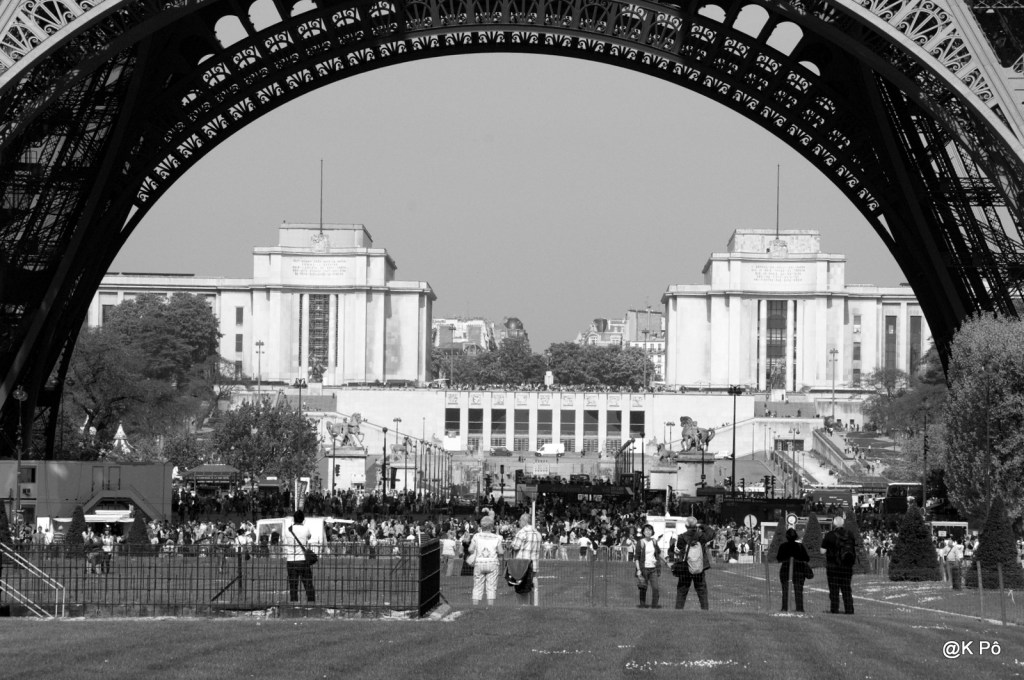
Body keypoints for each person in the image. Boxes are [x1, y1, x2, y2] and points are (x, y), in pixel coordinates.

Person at [673, 517, 714, 610]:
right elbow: (712, 533)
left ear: (686, 525)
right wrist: (702, 525)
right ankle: (705, 610)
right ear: (696, 525)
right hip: (699, 567)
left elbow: (680, 548)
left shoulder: (681, 537)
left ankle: (678, 611)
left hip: (686, 567)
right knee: (702, 591)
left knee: (682, 591)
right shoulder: (701, 536)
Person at [821, 515, 856, 614]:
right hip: (846, 566)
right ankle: (849, 609)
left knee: (834, 589)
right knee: (846, 588)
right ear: (843, 524)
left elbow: (822, 551)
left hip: (833, 566)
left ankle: (834, 609)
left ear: (833, 524)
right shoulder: (850, 534)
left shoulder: (829, 535)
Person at [468, 515, 503, 606]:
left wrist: (477, 551)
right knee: (491, 587)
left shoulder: (476, 536)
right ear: (491, 526)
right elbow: (501, 552)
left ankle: (475, 606)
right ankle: (490, 607)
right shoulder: (497, 537)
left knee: (477, 586)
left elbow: (470, 549)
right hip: (492, 562)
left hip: (479, 562)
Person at [510, 512, 542, 605]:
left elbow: (515, 546)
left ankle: (523, 606)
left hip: (522, 564)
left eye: (520, 520)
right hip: (534, 563)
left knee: (522, 587)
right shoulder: (537, 533)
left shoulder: (522, 532)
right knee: (533, 585)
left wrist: (511, 544)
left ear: (524, 521)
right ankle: (534, 605)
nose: (519, 522)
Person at [285, 510, 315, 603]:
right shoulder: (305, 529)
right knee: (308, 584)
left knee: (293, 586)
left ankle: (294, 604)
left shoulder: (288, 530)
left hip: (291, 560)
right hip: (303, 560)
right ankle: (311, 603)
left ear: (294, 519)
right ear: (303, 519)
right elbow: (309, 537)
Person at [776, 528, 810, 612]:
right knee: (798, 591)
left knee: (785, 590)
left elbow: (779, 558)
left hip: (785, 569)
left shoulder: (783, 546)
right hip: (799, 570)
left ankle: (784, 608)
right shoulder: (800, 546)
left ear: (786, 536)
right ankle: (800, 608)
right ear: (796, 536)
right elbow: (807, 558)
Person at [634, 523, 664, 609]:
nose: (648, 532)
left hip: (653, 569)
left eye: (650, 530)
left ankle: (654, 607)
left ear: (652, 532)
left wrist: (666, 562)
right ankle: (642, 606)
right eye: (646, 530)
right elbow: (637, 558)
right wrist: (638, 570)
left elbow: (659, 553)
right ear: (643, 532)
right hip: (644, 569)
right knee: (643, 588)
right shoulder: (641, 542)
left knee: (656, 589)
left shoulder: (654, 541)